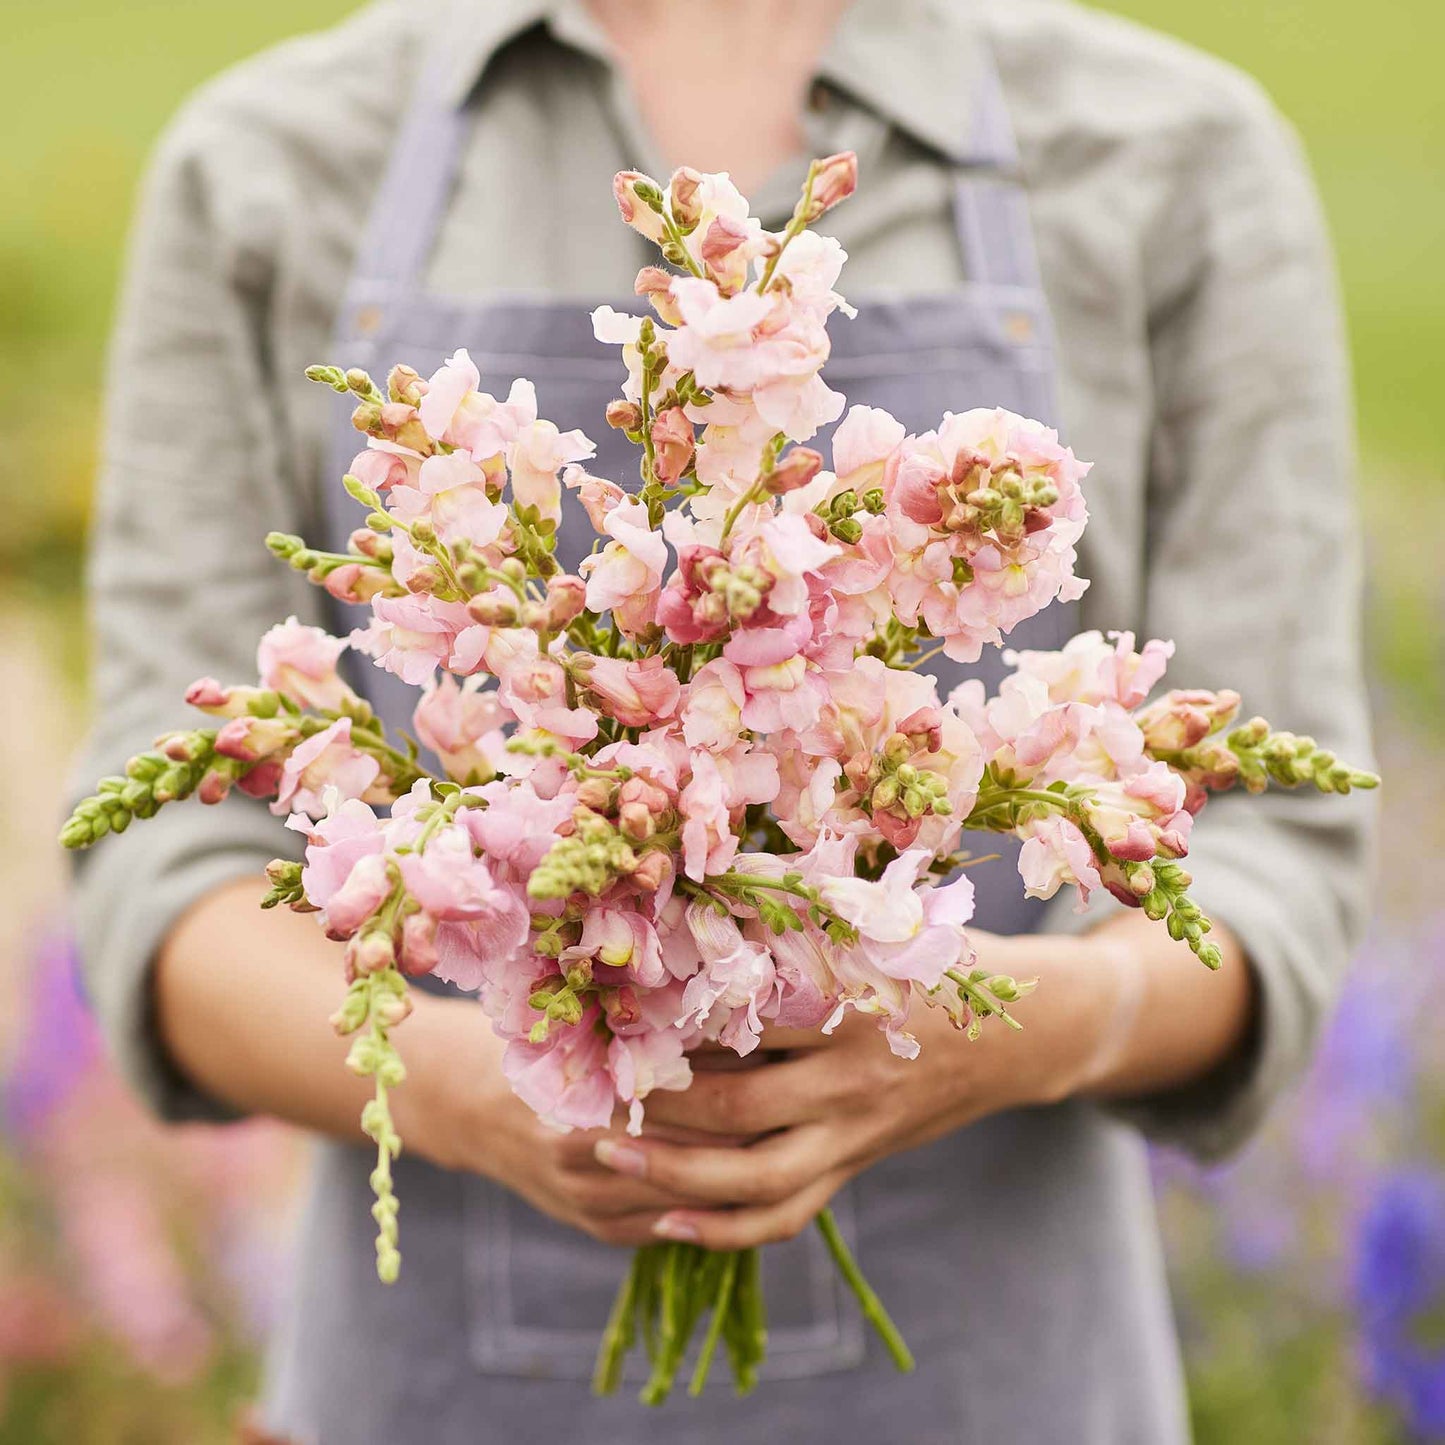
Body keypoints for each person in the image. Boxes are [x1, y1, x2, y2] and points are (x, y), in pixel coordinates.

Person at [72, 0, 1376, 1440]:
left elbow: (1272, 851)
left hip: (993, 1383)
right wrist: (470, 1085)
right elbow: (162, 866)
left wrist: (1011, 1027)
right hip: (430, 1386)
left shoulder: (1167, 154)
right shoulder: (272, 160)